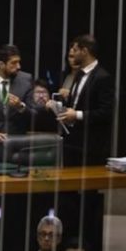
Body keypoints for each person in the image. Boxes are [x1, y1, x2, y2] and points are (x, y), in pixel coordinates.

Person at [47, 34, 116, 166]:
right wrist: (57, 106)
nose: (72, 53)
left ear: (84, 51)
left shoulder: (103, 77)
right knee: (68, 185)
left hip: (91, 146)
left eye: (75, 50)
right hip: (72, 142)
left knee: (88, 186)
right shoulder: (79, 74)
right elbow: (75, 104)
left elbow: (106, 112)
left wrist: (77, 115)